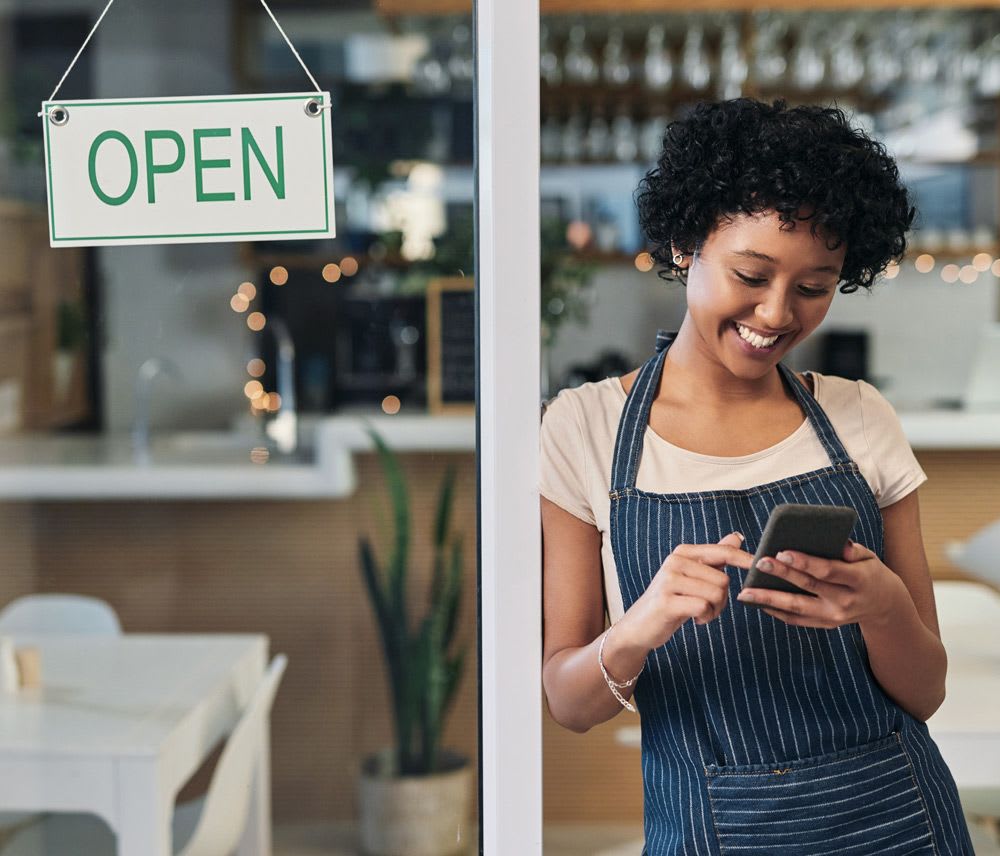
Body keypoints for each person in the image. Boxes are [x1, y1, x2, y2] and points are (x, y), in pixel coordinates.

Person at [539, 98, 975, 855]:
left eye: (815, 287)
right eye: (751, 273)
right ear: (685, 243)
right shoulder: (585, 429)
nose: (776, 313)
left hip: (900, 821)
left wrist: (881, 607)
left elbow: (926, 691)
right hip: (710, 829)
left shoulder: (860, 417)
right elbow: (569, 704)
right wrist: (642, 627)